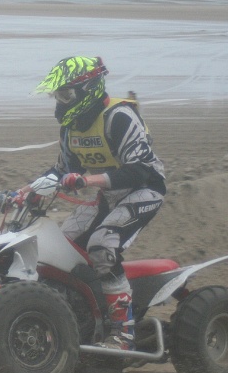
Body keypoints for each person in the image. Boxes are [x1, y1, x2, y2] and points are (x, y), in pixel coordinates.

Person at [33, 56, 167, 351]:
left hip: (144, 190)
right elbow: (62, 170)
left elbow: (139, 169)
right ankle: (82, 319)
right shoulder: (72, 127)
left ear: (88, 89)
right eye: (57, 96)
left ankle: (123, 335)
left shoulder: (118, 117)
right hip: (107, 195)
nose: (61, 102)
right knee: (59, 247)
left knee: (102, 245)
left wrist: (87, 182)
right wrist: (25, 192)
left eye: (65, 95)